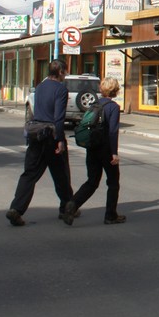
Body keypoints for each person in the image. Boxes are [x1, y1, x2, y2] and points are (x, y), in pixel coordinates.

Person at [5, 59, 74, 226]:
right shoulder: (61, 89)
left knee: (29, 174)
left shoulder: (40, 87)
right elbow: (58, 117)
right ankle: (67, 208)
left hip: (36, 134)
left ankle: (16, 209)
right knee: (61, 175)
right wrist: (59, 140)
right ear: (61, 72)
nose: (66, 75)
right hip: (51, 135)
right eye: (65, 71)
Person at [61, 77, 125, 226]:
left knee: (92, 181)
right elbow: (113, 132)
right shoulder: (113, 107)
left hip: (92, 148)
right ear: (115, 90)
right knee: (113, 182)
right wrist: (114, 153)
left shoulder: (94, 104)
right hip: (106, 150)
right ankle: (110, 215)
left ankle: (72, 204)